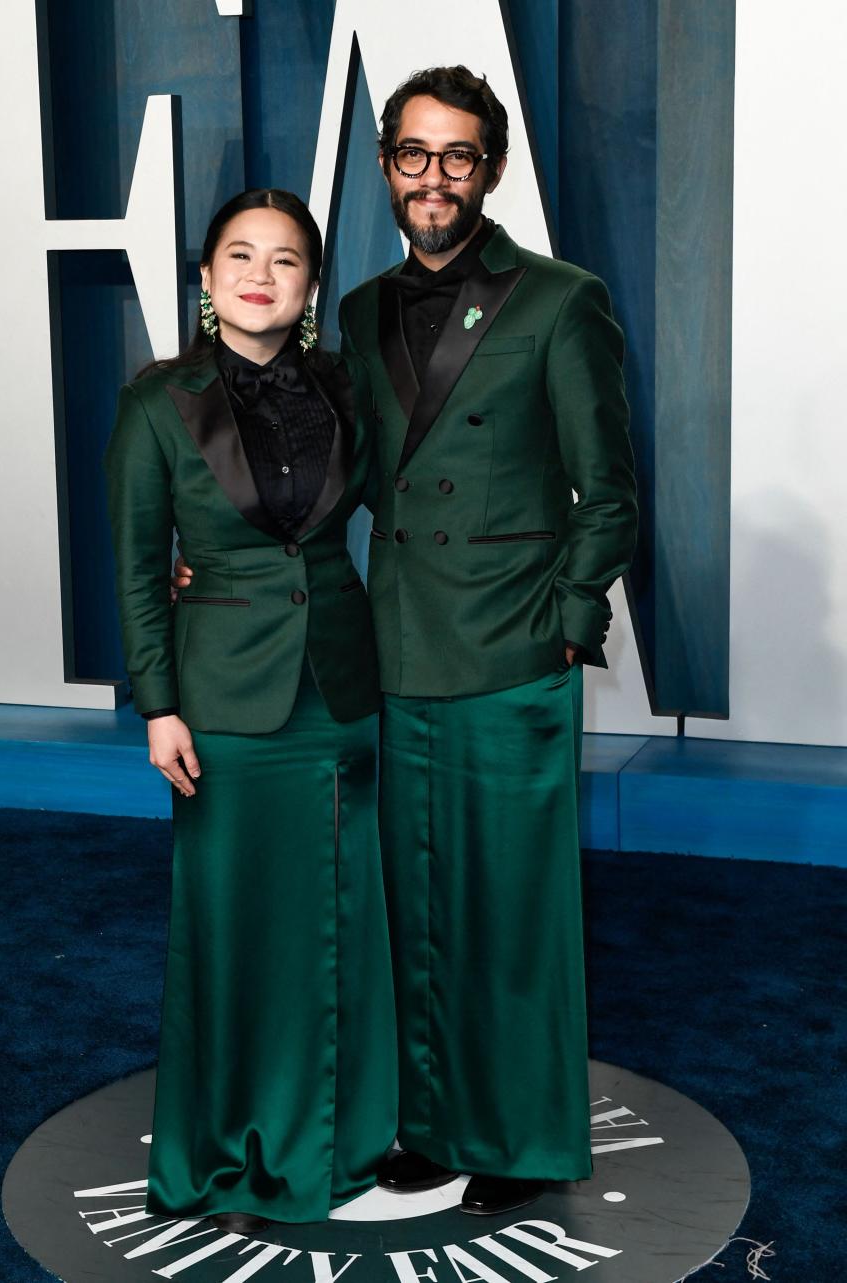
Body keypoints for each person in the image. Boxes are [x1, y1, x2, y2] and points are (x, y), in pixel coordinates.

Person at [179, 67, 638, 1219]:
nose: (436, 177)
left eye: (460, 155)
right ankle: (429, 1125)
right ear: (386, 164)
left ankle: (522, 1137)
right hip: (390, 653)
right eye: (415, 154)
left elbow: (611, 493)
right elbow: (345, 473)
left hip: (510, 653)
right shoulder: (366, 307)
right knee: (413, 904)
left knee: (513, 907)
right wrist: (221, 546)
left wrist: (566, 629)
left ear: (492, 168)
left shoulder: (559, 299)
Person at [104, 188, 397, 1233]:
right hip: (221, 705)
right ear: (206, 275)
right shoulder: (155, 401)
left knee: (347, 919)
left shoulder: (347, 388)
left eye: (286, 259)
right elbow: (141, 569)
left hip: (340, 693)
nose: (260, 273)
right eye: (240, 253)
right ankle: (225, 1149)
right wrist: (159, 706)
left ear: (311, 286)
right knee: (232, 929)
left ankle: (350, 1139)